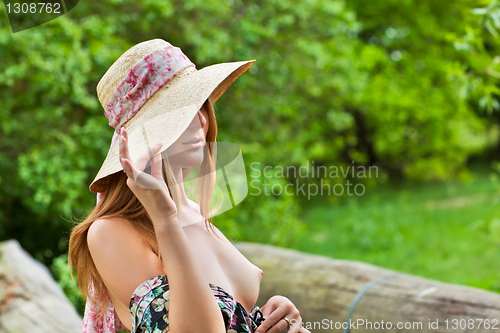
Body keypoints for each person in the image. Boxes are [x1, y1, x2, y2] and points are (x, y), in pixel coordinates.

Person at [68, 39, 310, 333]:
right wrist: (165, 220)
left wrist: (277, 317)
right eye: (180, 111)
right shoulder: (112, 232)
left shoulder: (194, 210)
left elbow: (232, 316)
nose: (199, 119)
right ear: (144, 133)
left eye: (200, 104)